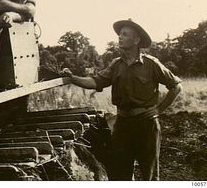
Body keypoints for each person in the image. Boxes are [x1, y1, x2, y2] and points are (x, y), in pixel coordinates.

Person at [62, 19, 182, 180]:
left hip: (146, 125)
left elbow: (176, 86)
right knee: (120, 174)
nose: (120, 37)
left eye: (125, 34)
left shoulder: (152, 64)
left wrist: (159, 109)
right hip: (123, 125)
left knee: (150, 174)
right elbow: (95, 81)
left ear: (136, 40)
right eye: (119, 34)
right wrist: (72, 78)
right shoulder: (116, 65)